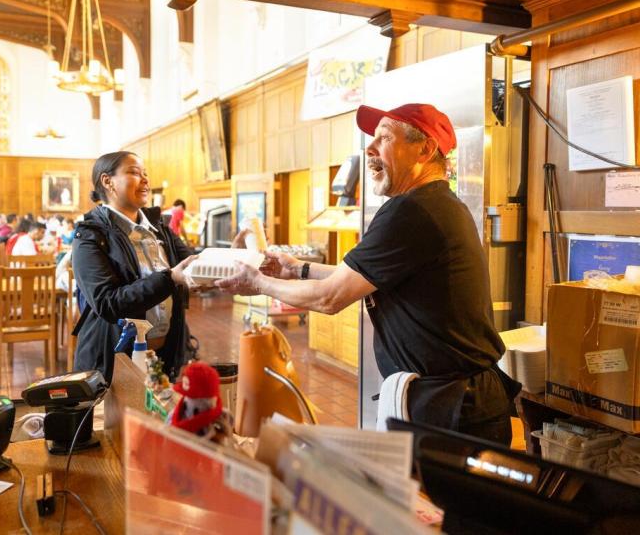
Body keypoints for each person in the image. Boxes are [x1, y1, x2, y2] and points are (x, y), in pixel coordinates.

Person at [217, 103, 520, 444]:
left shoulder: (413, 210)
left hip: (454, 412)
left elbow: (329, 297)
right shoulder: (438, 204)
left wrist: (257, 282)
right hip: (457, 404)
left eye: (384, 138)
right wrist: (295, 269)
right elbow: (364, 277)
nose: (370, 149)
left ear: (425, 149)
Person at [72, 151, 198, 384]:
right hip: (113, 360)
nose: (146, 180)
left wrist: (228, 254)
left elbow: (192, 265)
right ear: (107, 181)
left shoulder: (160, 228)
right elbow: (107, 302)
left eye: (146, 174)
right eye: (134, 172)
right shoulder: (90, 236)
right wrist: (169, 279)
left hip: (164, 358)